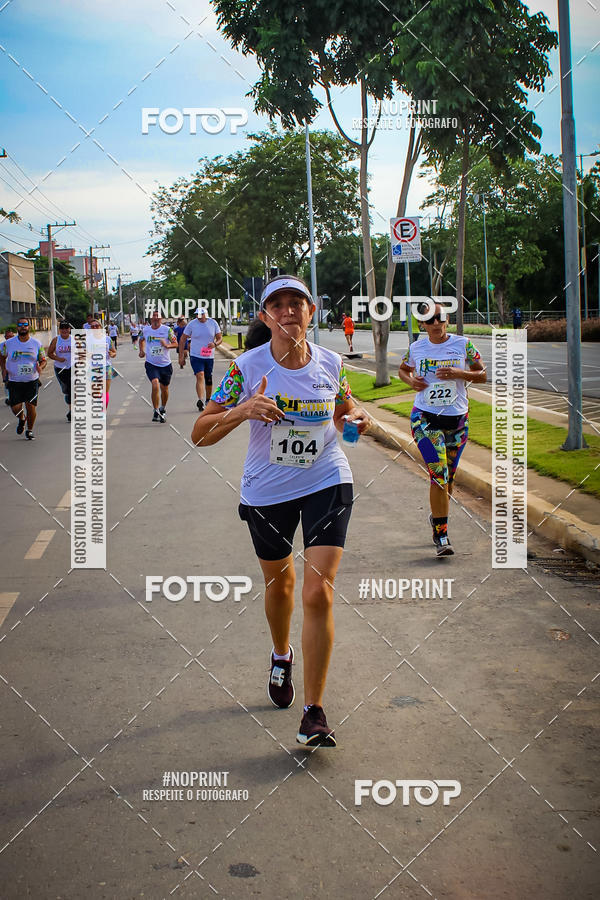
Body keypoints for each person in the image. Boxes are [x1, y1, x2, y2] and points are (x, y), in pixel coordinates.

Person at [191, 275, 369, 748]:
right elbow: (200, 432)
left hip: (327, 479)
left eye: (298, 303)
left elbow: (345, 410)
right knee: (281, 584)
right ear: (266, 316)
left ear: (312, 313)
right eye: (278, 304)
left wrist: (356, 419)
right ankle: (280, 653)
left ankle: (314, 712)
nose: (289, 311)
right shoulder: (245, 368)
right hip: (267, 491)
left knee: (317, 593)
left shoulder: (331, 362)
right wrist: (243, 410)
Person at [397, 302, 486, 557]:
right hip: (425, 418)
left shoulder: (463, 344)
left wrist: (460, 372)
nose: (436, 323)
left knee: (449, 480)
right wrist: (411, 381)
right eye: (430, 320)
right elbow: (403, 370)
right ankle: (442, 535)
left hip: (457, 420)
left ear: (447, 320)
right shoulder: (417, 348)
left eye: (441, 317)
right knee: (439, 475)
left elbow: (482, 374)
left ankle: (436, 518)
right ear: (422, 325)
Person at [0, 317, 47, 440]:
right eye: (20, 325)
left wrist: (41, 367)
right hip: (14, 381)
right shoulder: (8, 344)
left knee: (30, 406)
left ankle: (30, 430)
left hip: (31, 381)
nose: (23, 327)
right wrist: (4, 369)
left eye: (25, 325)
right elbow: (2, 356)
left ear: (28, 327)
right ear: (17, 327)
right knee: (15, 407)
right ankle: (22, 419)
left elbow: (43, 360)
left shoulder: (36, 344)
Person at [180, 307, 222, 411]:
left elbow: (220, 338)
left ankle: (208, 399)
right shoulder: (192, 324)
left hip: (208, 355)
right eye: (197, 314)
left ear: (206, 314)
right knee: (200, 375)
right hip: (195, 355)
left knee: (208, 378)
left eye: (201, 314)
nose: (199, 316)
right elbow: (182, 339)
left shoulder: (213, 323)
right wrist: (181, 356)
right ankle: (200, 400)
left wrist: (215, 344)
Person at [139, 310, 177, 422]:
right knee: (155, 384)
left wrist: (167, 345)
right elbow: (141, 340)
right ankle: (155, 410)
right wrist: (141, 351)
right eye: (153, 316)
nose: (155, 318)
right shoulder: (146, 330)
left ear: (161, 319)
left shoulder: (167, 330)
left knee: (164, 388)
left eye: (158, 316)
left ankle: (163, 407)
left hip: (165, 364)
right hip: (151, 363)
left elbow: (176, 343)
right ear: (151, 319)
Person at [48, 321, 73, 421]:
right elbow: (49, 353)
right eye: (62, 328)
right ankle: (70, 403)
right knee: (66, 389)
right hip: (60, 368)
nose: (64, 330)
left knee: (73, 388)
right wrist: (58, 359)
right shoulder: (56, 340)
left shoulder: (74, 339)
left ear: (69, 329)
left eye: (66, 328)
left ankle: (72, 412)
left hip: (73, 367)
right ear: (59, 330)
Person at [89, 319, 117, 407]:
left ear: (100, 327)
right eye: (92, 326)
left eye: (96, 326)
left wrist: (112, 354)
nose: (95, 328)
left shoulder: (108, 339)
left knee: (105, 392)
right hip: (93, 368)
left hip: (107, 367)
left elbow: (114, 352)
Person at [2, 328, 15, 404]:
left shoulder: (18, 344)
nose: (10, 338)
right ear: (5, 337)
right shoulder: (3, 346)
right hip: (7, 369)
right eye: (8, 336)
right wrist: (3, 369)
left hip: (16, 368)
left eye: (11, 336)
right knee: (7, 383)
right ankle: (8, 398)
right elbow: (3, 357)